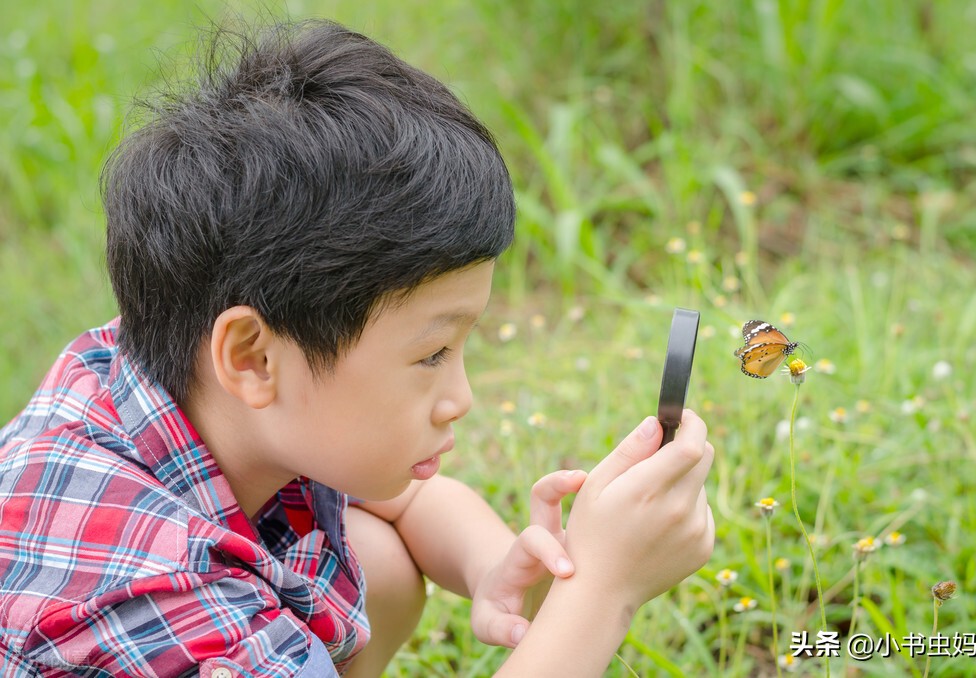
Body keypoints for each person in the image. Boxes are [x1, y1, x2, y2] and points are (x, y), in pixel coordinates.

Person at [0, 18, 715, 676]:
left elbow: (409, 500)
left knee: (379, 562)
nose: (461, 398)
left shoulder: (169, 370)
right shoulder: (168, 611)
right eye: (432, 355)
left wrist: (494, 565)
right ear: (251, 357)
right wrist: (602, 590)